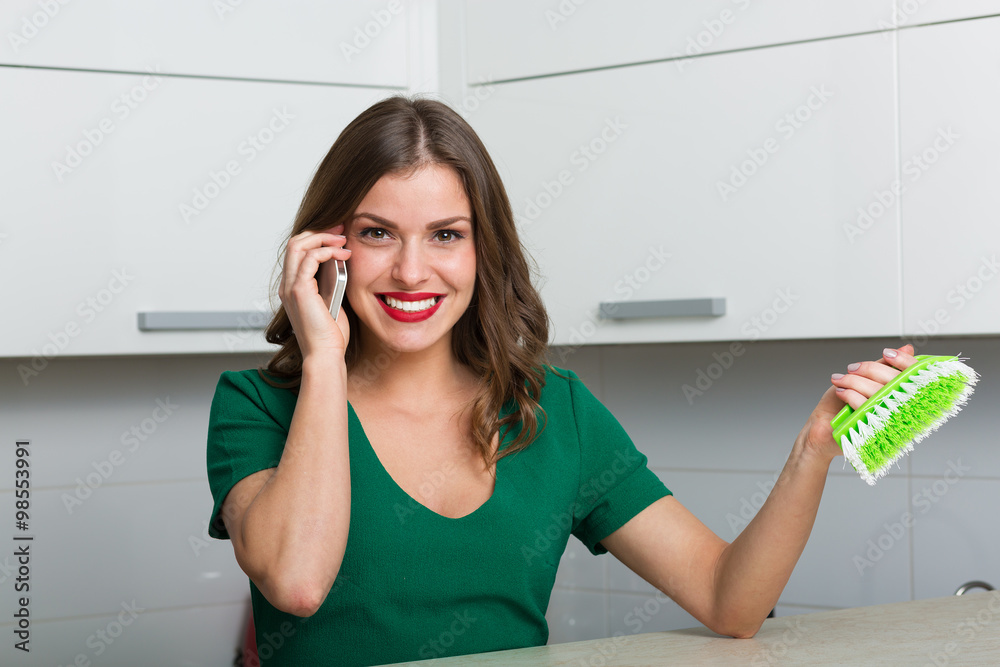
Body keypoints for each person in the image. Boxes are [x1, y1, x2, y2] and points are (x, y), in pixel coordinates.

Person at [206, 95, 920, 666]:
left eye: (446, 234)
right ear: (329, 249)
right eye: (377, 233)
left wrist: (812, 453)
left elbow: (729, 601)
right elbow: (296, 583)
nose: (413, 272)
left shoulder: (553, 410)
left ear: (485, 249)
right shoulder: (257, 406)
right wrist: (324, 358)